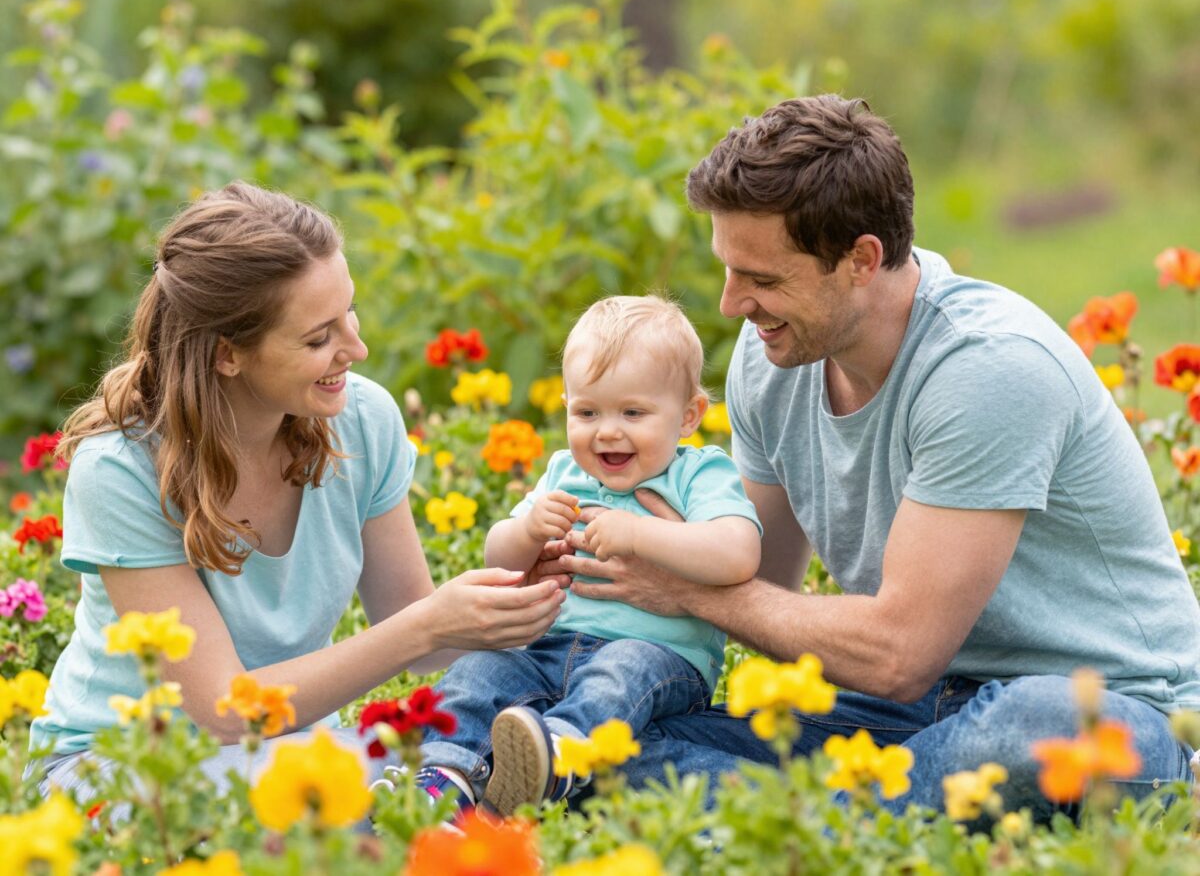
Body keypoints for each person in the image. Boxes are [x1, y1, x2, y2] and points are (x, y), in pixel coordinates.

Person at [542, 95, 1200, 821]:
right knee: (612, 742)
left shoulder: (988, 368)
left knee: (1029, 732)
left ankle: (789, 824)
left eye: (762, 279)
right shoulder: (771, 363)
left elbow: (897, 652)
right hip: (903, 715)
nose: (732, 305)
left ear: (861, 259)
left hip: (1110, 712)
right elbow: (756, 584)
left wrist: (679, 589)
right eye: (728, 270)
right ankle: (824, 819)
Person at [30, 182, 566, 799]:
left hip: (290, 751)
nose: (357, 349)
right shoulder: (120, 470)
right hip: (123, 770)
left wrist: (510, 596)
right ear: (227, 355)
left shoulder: (361, 421)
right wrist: (428, 626)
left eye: (349, 313)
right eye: (318, 338)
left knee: (456, 763)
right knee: (410, 784)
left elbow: (420, 639)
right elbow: (227, 711)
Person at [417, 295, 762, 816]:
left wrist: (638, 535)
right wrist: (528, 530)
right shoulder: (565, 474)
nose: (607, 430)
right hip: (548, 646)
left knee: (619, 672)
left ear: (689, 415)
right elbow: (500, 559)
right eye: (587, 411)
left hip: (658, 656)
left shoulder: (697, 474)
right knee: (482, 669)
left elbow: (737, 554)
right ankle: (440, 778)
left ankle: (560, 753)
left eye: (633, 412)